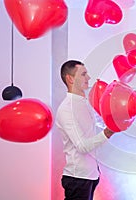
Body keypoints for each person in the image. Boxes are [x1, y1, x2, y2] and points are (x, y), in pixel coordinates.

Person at [56, 60, 115, 200]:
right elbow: (82, 146)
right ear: (70, 79)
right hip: (78, 178)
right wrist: (107, 133)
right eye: (83, 74)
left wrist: (117, 117)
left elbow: (98, 123)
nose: (88, 77)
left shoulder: (83, 102)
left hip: (91, 175)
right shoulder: (66, 109)